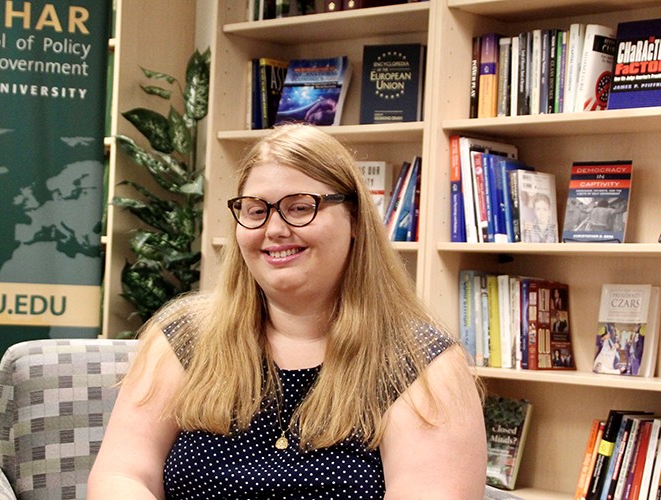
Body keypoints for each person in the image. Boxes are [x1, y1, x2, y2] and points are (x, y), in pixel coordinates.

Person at [88, 124, 488, 498]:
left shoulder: (421, 364)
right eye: (255, 211)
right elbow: (122, 474)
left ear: (354, 221)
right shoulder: (184, 337)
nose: (274, 229)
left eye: (299, 208)